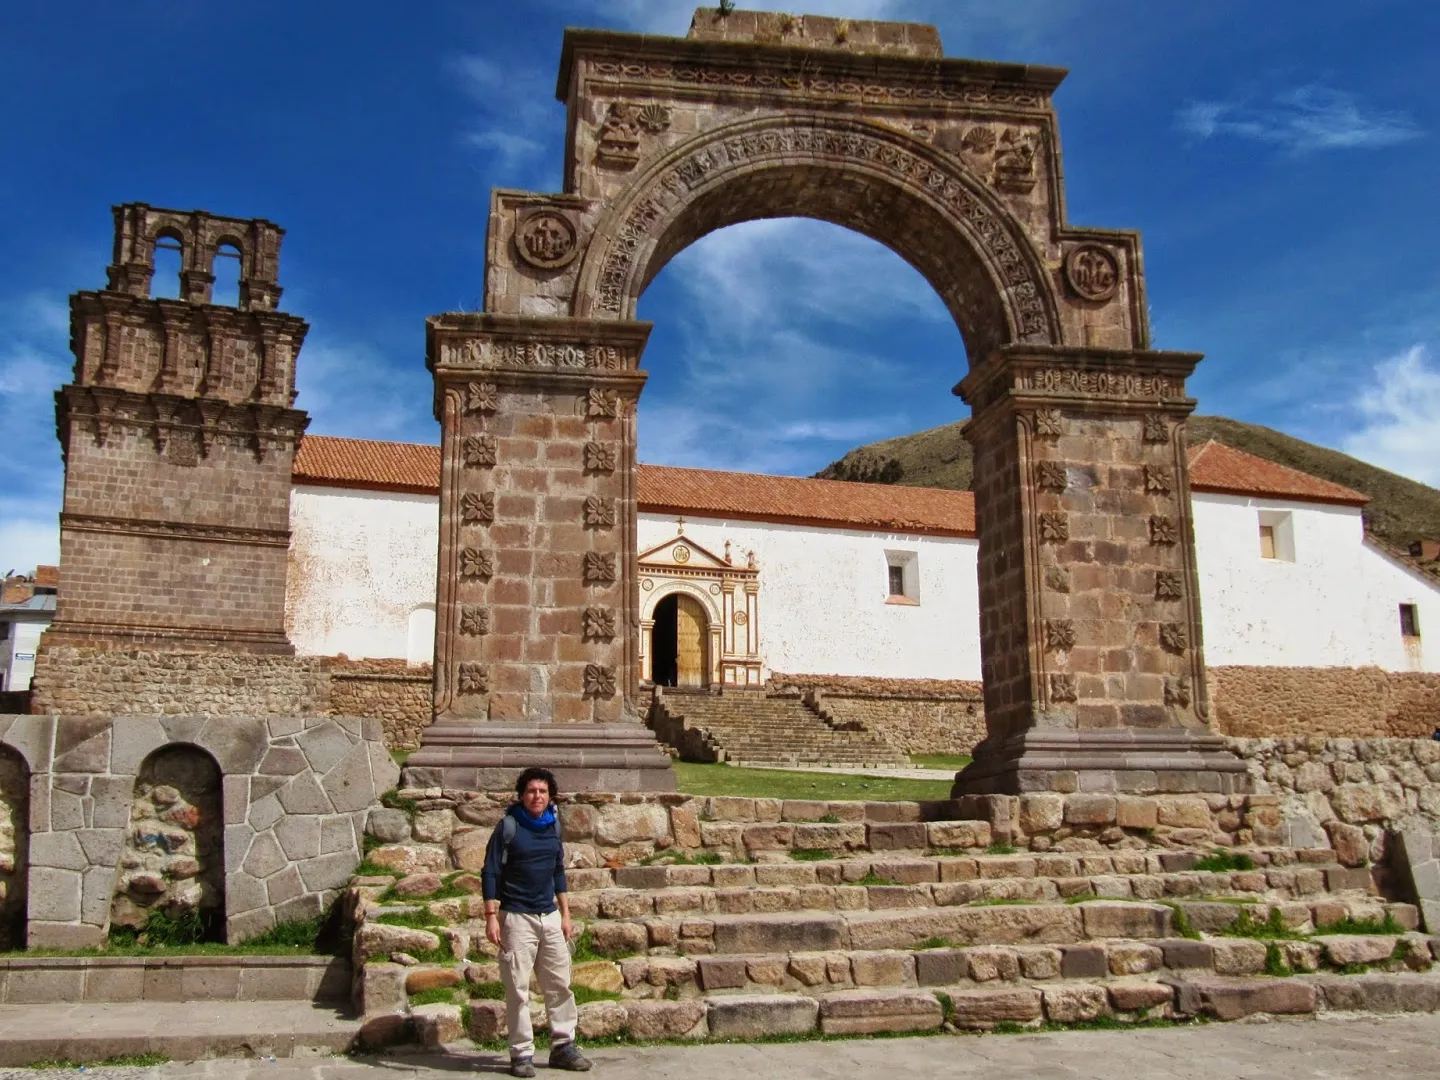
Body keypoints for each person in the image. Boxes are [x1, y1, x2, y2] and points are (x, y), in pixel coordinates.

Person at [481, 767, 592, 1077]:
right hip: (516, 917)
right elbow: (489, 872)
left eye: (542, 791)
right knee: (517, 989)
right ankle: (521, 1053)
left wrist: (566, 914)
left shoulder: (553, 828)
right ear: (521, 795)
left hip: (550, 916)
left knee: (559, 984)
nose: (537, 796)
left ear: (550, 796)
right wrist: (491, 917)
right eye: (531, 791)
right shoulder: (508, 827)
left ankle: (563, 1046)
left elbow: (558, 872)